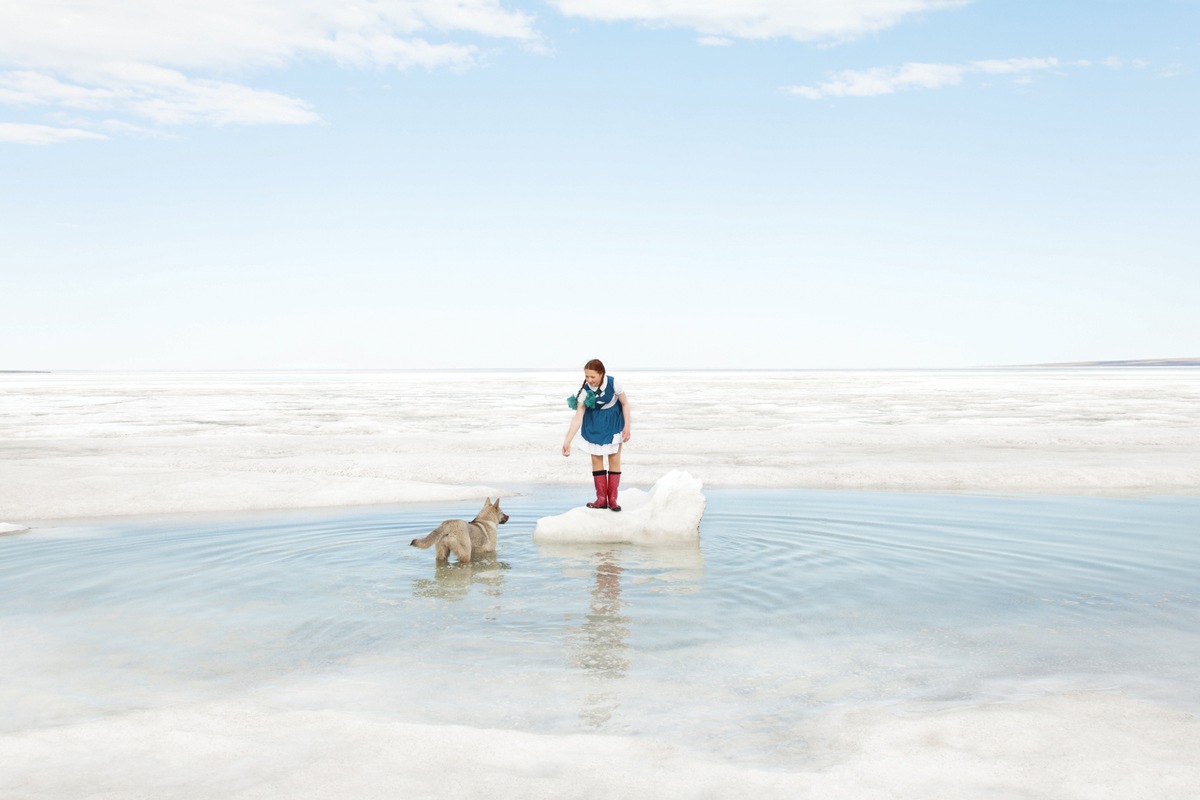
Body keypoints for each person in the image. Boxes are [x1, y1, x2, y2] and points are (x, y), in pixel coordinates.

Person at [561, 359, 631, 511]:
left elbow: (625, 404)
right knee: (596, 459)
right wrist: (568, 440)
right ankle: (601, 499)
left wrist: (627, 426)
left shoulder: (614, 384)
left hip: (613, 422)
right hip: (593, 424)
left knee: (614, 458)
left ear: (601, 374)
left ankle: (612, 499)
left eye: (592, 376)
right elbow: (578, 416)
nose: (589, 380)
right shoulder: (585, 391)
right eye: (587, 376)